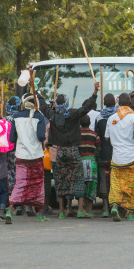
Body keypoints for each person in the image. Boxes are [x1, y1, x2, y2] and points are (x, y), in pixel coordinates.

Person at [39, 82, 99, 219]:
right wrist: (95, 93)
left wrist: (38, 95)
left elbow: (42, 107)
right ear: (66, 103)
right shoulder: (73, 114)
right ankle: (78, 210)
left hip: (59, 152)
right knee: (78, 179)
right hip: (73, 150)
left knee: (61, 180)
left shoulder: (51, 115)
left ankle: (61, 211)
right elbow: (86, 108)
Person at [8, 93, 47, 223]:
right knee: (38, 184)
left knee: (20, 184)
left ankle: (10, 210)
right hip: (36, 156)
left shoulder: (16, 117)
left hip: (21, 157)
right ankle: (40, 214)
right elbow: (41, 136)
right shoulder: (39, 116)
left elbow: (11, 138)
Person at [105, 93, 134, 221]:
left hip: (116, 158)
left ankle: (115, 206)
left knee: (116, 184)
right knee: (131, 185)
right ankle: (129, 213)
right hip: (132, 157)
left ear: (118, 103)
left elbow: (106, 137)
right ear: (130, 103)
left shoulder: (111, 119)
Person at [94, 93, 117, 218]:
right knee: (115, 180)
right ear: (115, 102)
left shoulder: (99, 117)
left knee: (103, 179)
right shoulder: (119, 116)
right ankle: (115, 205)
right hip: (116, 153)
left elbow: (97, 136)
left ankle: (105, 207)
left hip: (103, 153)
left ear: (103, 103)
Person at [78, 115, 100, 218]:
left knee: (81, 185)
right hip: (92, 162)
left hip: (80, 161)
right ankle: (89, 210)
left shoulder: (77, 134)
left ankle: (80, 209)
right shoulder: (94, 134)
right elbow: (99, 148)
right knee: (91, 186)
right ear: (90, 122)